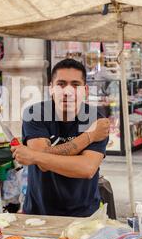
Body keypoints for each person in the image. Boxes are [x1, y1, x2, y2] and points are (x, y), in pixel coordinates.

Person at [11, 59, 110, 217]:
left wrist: (35, 156)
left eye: (75, 85)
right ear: (51, 88)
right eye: (61, 84)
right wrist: (89, 136)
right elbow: (43, 164)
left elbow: (86, 169)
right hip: (40, 212)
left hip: (84, 213)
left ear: (85, 90)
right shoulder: (36, 114)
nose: (67, 91)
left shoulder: (95, 119)